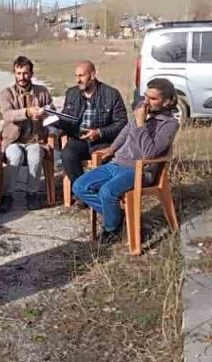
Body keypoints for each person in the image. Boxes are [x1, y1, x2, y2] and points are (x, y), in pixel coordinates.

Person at [72, 77, 179, 245]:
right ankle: (119, 216)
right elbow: (126, 130)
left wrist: (141, 123)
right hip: (117, 163)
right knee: (79, 186)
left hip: (139, 170)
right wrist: (112, 149)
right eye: (145, 97)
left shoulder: (170, 124)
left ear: (167, 102)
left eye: (153, 99)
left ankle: (112, 229)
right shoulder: (141, 110)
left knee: (107, 191)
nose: (146, 102)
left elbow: (149, 153)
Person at [54, 60, 128, 188]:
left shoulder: (111, 94)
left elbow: (122, 123)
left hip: (102, 140)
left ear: (92, 75)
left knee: (107, 159)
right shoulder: (72, 93)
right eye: (76, 76)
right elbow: (66, 120)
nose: (78, 80)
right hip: (79, 138)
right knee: (67, 155)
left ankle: (101, 192)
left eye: (81, 76)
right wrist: (52, 119)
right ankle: (82, 192)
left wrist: (99, 132)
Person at [0, 55, 53, 212]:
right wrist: (27, 112)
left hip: (36, 139)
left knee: (35, 154)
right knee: (15, 156)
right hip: (14, 140)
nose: (22, 77)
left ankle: (32, 194)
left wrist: (44, 114)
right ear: (14, 73)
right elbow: (7, 115)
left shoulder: (42, 92)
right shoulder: (6, 93)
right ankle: (7, 195)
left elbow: (53, 113)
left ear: (31, 74)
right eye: (19, 73)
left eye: (25, 73)